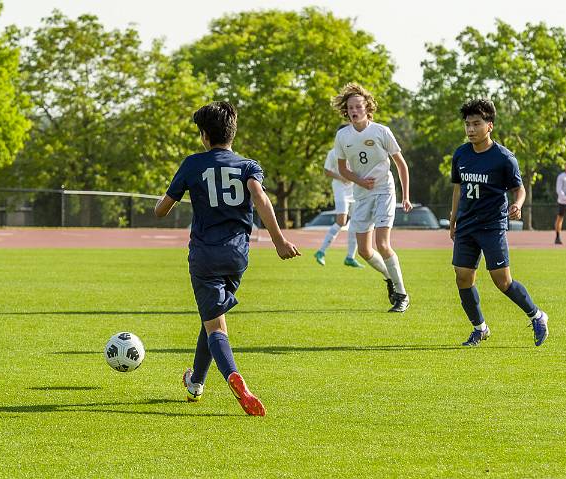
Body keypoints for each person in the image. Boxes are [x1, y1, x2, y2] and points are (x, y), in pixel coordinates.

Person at [154, 101, 300, 416]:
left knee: (216, 328)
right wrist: (279, 240)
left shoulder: (192, 164)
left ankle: (236, 378)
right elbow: (260, 197)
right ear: (232, 132)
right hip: (237, 256)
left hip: (205, 255)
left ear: (205, 136)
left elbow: (161, 210)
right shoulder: (248, 166)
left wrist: (171, 196)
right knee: (213, 317)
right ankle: (195, 383)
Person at [449, 98, 548, 347]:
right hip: (467, 225)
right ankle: (480, 328)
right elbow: (458, 189)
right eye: (467, 124)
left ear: (489, 126)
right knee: (462, 277)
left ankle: (537, 315)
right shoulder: (460, 153)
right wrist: (453, 219)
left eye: (476, 124)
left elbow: (519, 188)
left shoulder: (504, 158)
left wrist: (518, 205)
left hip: (492, 226)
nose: (470, 129)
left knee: (502, 281)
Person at [331, 82, 411, 313]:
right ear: (346, 111)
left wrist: (405, 196)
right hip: (361, 195)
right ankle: (391, 280)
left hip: (384, 191)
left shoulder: (381, 131)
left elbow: (401, 164)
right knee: (364, 251)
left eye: (358, 106)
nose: (354, 110)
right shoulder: (342, 136)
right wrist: (359, 181)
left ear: (367, 108)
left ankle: (402, 295)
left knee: (382, 244)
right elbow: (343, 169)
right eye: (350, 107)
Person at [314, 138, 364, 268]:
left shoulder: (354, 150)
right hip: (340, 189)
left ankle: (350, 257)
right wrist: (341, 177)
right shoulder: (333, 153)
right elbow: (326, 171)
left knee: (355, 222)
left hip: (354, 190)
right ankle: (321, 251)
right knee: (341, 221)